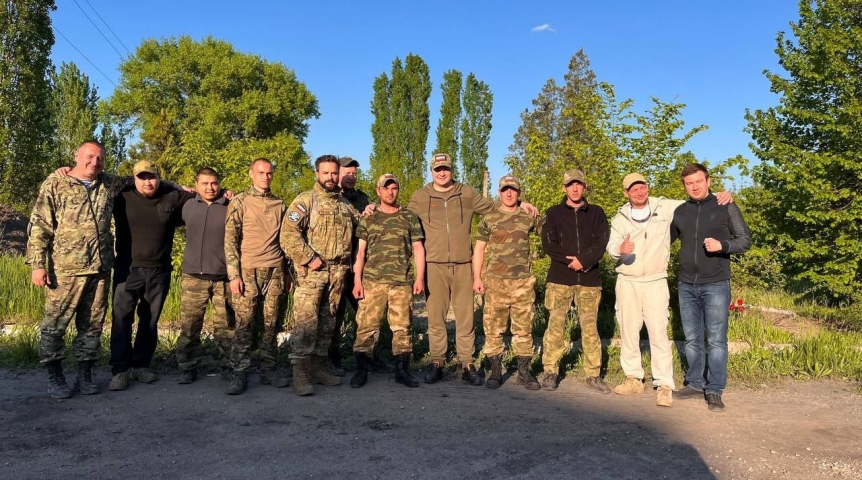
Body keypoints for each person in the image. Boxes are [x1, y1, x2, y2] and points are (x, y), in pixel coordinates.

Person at [408, 153, 537, 385]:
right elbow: (403, 218)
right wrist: (373, 209)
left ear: (451, 169)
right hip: (434, 265)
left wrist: (520, 204)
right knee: (436, 318)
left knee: (465, 318)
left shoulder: (466, 193)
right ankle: (437, 362)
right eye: (438, 169)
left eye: (446, 168)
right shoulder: (420, 196)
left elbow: (495, 207)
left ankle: (466, 363)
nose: (442, 173)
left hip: (463, 265)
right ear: (432, 171)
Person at [607, 173, 734, 407]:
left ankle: (664, 384)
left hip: (656, 280)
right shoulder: (620, 218)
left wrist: (720, 195)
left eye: (642, 187)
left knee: (659, 333)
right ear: (626, 193)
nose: (639, 192)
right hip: (627, 280)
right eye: (633, 189)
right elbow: (611, 248)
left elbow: (696, 198)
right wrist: (619, 249)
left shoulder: (665, 207)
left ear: (647, 187)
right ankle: (633, 377)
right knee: (628, 332)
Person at [26, 140, 131, 398]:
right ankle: (55, 377)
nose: (95, 162)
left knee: (93, 326)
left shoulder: (108, 183)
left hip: (100, 268)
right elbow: (40, 226)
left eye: (100, 158)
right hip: (65, 270)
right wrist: (37, 264)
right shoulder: (55, 183)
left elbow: (143, 180)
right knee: (55, 325)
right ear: (76, 155)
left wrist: (181, 187)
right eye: (90, 156)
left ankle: (85, 374)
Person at [108, 160, 196, 391]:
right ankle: (120, 370)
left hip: (159, 271)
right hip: (127, 270)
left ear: (159, 178)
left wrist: (225, 193)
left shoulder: (172, 197)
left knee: (149, 320)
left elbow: (203, 196)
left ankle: (141, 365)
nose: (148, 182)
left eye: (152, 177)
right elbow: (98, 179)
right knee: (121, 320)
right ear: (134, 179)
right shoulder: (121, 196)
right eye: (142, 177)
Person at [671, 163, 751, 412]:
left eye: (698, 181)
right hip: (686, 284)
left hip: (716, 283)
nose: (694, 187)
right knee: (692, 339)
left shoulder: (725, 205)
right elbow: (661, 239)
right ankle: (695, 384)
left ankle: (715, 389)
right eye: (689, 183)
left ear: (708, 181)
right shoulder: (680, 211)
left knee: (716, 340)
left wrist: (722, 246)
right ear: (684, 186)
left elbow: (745, 241)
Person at [281, 154, 360, 396]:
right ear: (317, 174)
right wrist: (309, 258)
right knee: (306, 325)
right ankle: (300, 374)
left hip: (338, 274)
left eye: (334, 172)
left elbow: (362, 227)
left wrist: (370, 211)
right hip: (312, 274)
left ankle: (319, 369)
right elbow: (288, 234)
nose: (330, 177)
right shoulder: (306, 200)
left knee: (328, 324)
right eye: (325, 172)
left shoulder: (344, 205)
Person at [350, 174, 425, 388]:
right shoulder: (369, 217)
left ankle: (402, 371)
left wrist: (419, 278)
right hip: (373, 281)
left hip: (401, 282)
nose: (391, 192)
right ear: (378, 191)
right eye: (386, 188)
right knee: (366, 327)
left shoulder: (409, 217)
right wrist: (357, 281)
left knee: (402, 327)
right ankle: (361, 370)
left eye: (394, 188)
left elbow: (418, 249)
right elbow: (360, 252)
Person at [223, 158, 291, 395]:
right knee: (244, 324)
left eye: (269, 173)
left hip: (275, 271)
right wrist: (234, 274)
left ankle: (268, 369)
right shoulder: (240, 201)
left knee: (272, 325)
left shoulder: (279, 203)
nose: (265, 177)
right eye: (261, 172)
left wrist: (288, 273)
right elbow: (230, 240)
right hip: (248, 271)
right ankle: (239, 372)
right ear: (251, 174)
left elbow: (286, 240)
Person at [540, 168, 610, 393]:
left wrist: (584, 261)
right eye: (570, 184)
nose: (575, 188)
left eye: (578, 184)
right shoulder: (552, 213)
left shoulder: (597, 213)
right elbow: (549, 244)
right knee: (555, 327)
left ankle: (593, 374)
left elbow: (602, 242)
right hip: (560, 279)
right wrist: (572, 261)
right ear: (564, 188)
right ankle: (550, 370)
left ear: (584, 186)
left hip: (589, 279)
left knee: (590, 328)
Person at [472, 174, 541, 391]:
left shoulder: (528, 215)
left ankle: (524, 372)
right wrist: (477, 277)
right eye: (505, 190)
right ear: (499, 192)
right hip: (495, 282)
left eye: (513, 189)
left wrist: (529, 207)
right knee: (493, 328)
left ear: (519, 192)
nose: (509, 193)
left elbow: (551, 234)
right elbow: (479, 249)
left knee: (524, 329)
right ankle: (495, 370)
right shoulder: (489, 218)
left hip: (522, 282)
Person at [175, 167, 235, 384]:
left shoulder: (231, 205)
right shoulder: (187, 204)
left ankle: (229, 367)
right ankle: (187, 367)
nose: (210, 188)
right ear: (196, 185)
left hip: (223, 278)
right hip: (193, 277)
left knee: (226, 328)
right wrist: (177, 186)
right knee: (190, 327)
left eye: (214, 183)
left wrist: (230, 193)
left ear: (220, 184)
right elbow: (162, 189)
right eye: (205, 183)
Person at [329, 156, 377, 375]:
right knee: (333, 317)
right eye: (346, 173)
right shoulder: (330, 198)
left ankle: (368, 358)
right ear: (337, 173)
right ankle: (333, 359)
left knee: (367, 316)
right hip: (335, 268)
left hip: (358, 268)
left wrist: (372, 212)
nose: (351, 177)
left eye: (354, 174)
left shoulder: (362, 199)